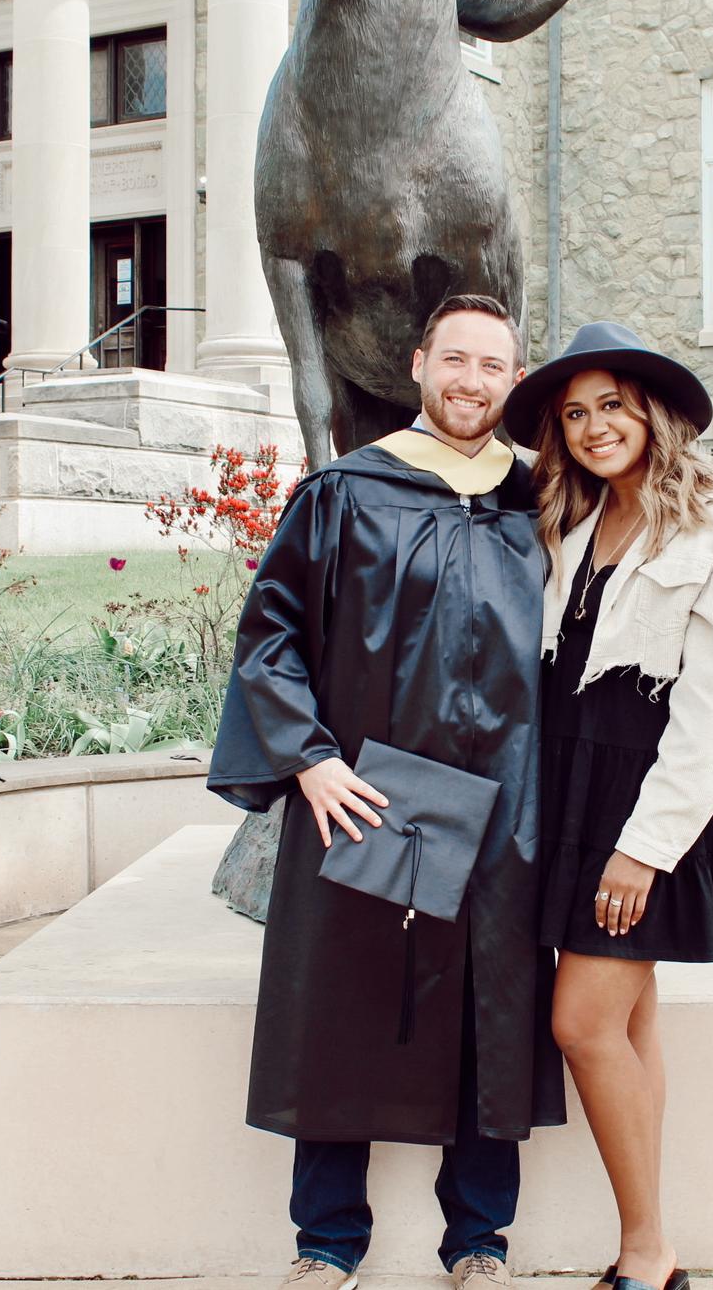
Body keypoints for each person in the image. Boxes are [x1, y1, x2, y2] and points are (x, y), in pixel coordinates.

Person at [208, 295, 565, 1290]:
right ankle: (325, 1242)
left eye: (491, 366)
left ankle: (479, 1240)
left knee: (494, 1010)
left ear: (511, 378)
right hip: (366, 791)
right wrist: (310, 758)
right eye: (454, 359)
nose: (471, 381)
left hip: (505, 799)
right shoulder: (345, 491)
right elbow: (269, 636)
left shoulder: (539, 501)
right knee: (342, 1000)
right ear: (417, 364)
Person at [501, 322, 713, 1290]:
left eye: (609, 404)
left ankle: (645, 1248)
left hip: (646, 808)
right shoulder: (577, 522)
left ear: (649, 410)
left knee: (579, 1021)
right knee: (629, 1023)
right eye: (573, 414)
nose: (590, 427)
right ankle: (653, 1245)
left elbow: (712, 715)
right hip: (575, 790)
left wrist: (643, 848)